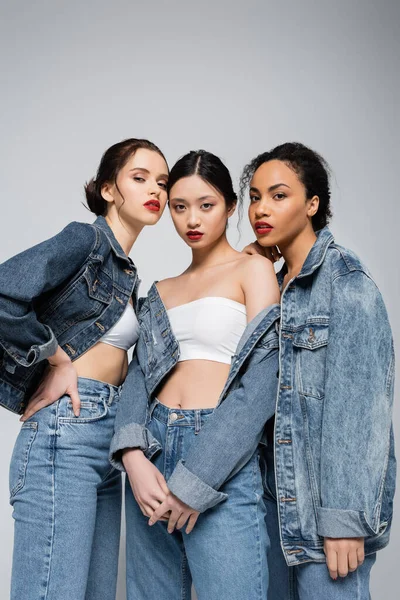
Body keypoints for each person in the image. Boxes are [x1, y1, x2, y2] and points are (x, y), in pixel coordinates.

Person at [0, 138, 169, 600]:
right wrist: (55, 359)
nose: (154, 189)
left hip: (108, 438)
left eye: (162, 182)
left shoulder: (127, 273)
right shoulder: (87, 239)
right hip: (66, 433)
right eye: (139, 178)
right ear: (109, 189)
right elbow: (3, 292)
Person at [110, 150, 281, 600]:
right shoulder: (161, 289)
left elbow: (262, 385)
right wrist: (132, 455)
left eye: (206, 205)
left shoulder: (254, 270)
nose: (192, 220)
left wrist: (196, 480)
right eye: (179, 207)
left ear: (229, 206)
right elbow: (139, 377)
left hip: (220, 454)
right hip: (154, 451)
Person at [241, 141, 396, 599]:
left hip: (324, 520)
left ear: (313, 204)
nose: (260, 208)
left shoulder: (346, 282)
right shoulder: (270, 286)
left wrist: (344, 519)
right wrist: (251, 272)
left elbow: (362, 411)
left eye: (278, 195)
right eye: (253, 196)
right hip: (272, 513)